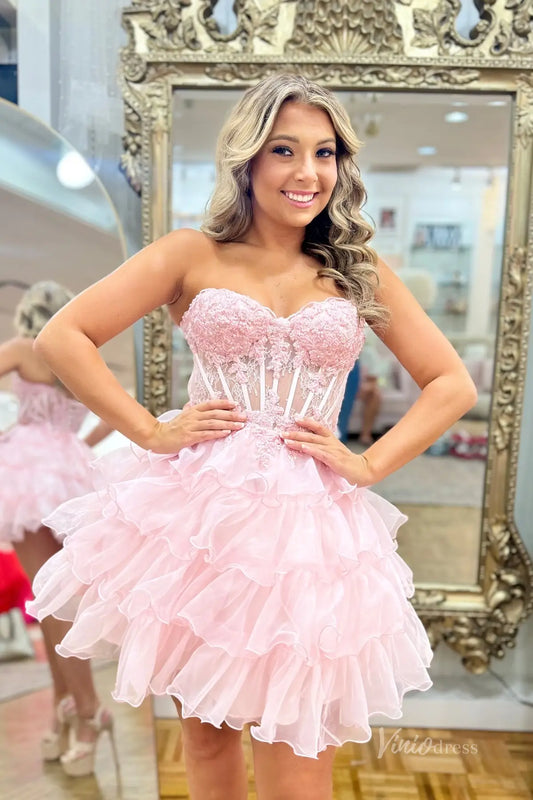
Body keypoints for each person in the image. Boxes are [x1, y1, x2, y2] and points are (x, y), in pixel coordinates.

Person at [27, 75, 477, 800]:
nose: (308, 172)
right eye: (284, 150)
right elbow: (63, 335)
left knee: (297, 748)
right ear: (248, 159)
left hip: (309, 532)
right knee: (206, 741)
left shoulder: (355, 270)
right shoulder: (191, 253)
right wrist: (149, 429)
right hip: (205, 519)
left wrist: (367, 464)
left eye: (325, 153)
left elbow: (451, 384)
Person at [0, 281, 115, 777]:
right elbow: (114, 410)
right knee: (56, 597)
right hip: (73, 466)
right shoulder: (81, 352)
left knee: (50, 598)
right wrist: (81, 442)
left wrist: (10, 434)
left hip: (27, 468)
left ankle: (88, 711)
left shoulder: (23, 348)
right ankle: (63, 707)